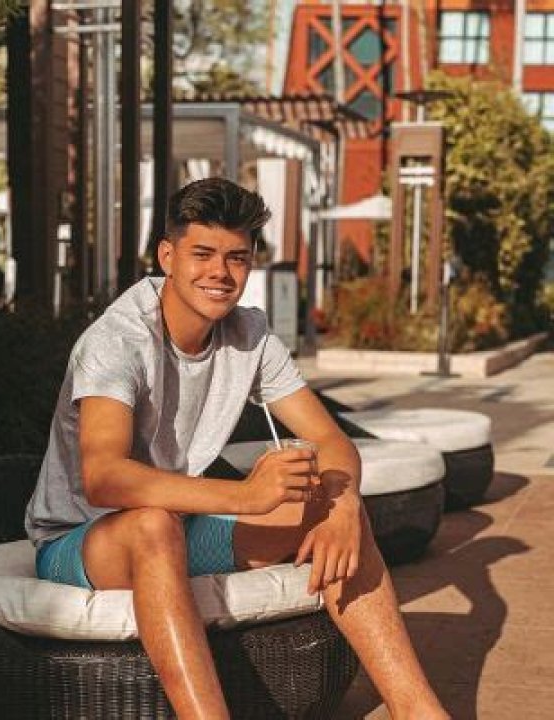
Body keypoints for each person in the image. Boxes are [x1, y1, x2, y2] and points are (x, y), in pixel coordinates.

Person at [25, 178, 449, 720]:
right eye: (202, 254)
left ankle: (419, 712)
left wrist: (343, 505)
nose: (220, 273)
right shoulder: (117, 341)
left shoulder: (250, 335)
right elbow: (104, 477)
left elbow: (330, 439)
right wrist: (247, 496)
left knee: (332, 506)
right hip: (82, 539)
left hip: (181, 527)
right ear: (168, 256)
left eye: (237, 258)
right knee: (152, 524)